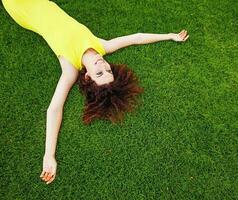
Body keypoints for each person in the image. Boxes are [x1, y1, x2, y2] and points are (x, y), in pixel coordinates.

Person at [2, 0, 189, 185]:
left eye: (99, 73)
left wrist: (49, 155)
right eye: (108, 70)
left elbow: (54, 109)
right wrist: (169, 36)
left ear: (87, 78)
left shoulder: (70, 68)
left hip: (21, 8)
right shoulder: (102, 46)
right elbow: (137, 38)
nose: (103, 65)